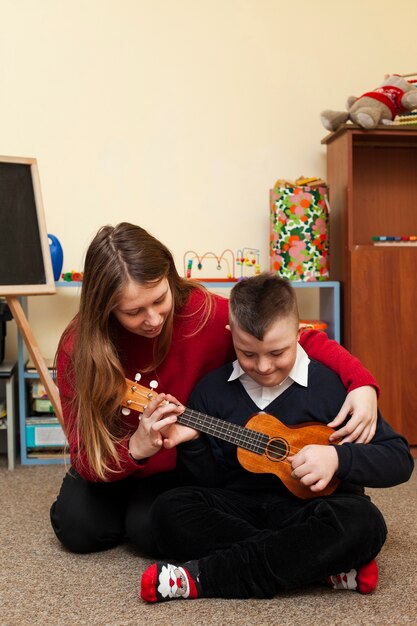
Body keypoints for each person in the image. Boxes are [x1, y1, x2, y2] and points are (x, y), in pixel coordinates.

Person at [51, 223, 380, 556]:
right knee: (77, 529)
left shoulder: (203, 311)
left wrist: (362, 382)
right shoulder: (77, 347)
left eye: (159, 300)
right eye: (134, 311)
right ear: (104, 307)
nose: (152, 319)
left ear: (170, 276)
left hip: (179, 464)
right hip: (114, 456)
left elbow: (297, 337)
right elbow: (84, 455)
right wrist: (135, 447)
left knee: (151, 531)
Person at [139, 273, 414, 602]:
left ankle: (204, 577)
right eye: (249, 354)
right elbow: (207, 482)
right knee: (168, 510)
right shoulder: (212, 391)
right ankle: (313, 564)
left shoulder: (332, 387)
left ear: (300, 333)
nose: (265, 366)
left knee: (365, 523)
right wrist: (194, 444)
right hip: (240, 507)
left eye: (277, 352)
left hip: (313, 509)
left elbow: (399, 459)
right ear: (232, 336)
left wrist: (338, 459)